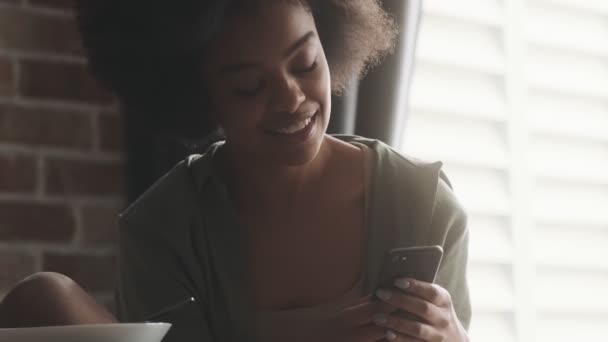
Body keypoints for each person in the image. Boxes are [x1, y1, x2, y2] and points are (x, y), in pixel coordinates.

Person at [0, 0, 471, 341]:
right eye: (249, 87)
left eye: (306, 63)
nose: (291, 98)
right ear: (198, 97)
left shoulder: (422, 203)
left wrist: (453, 338)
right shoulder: (162, 230)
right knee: (43, 298)